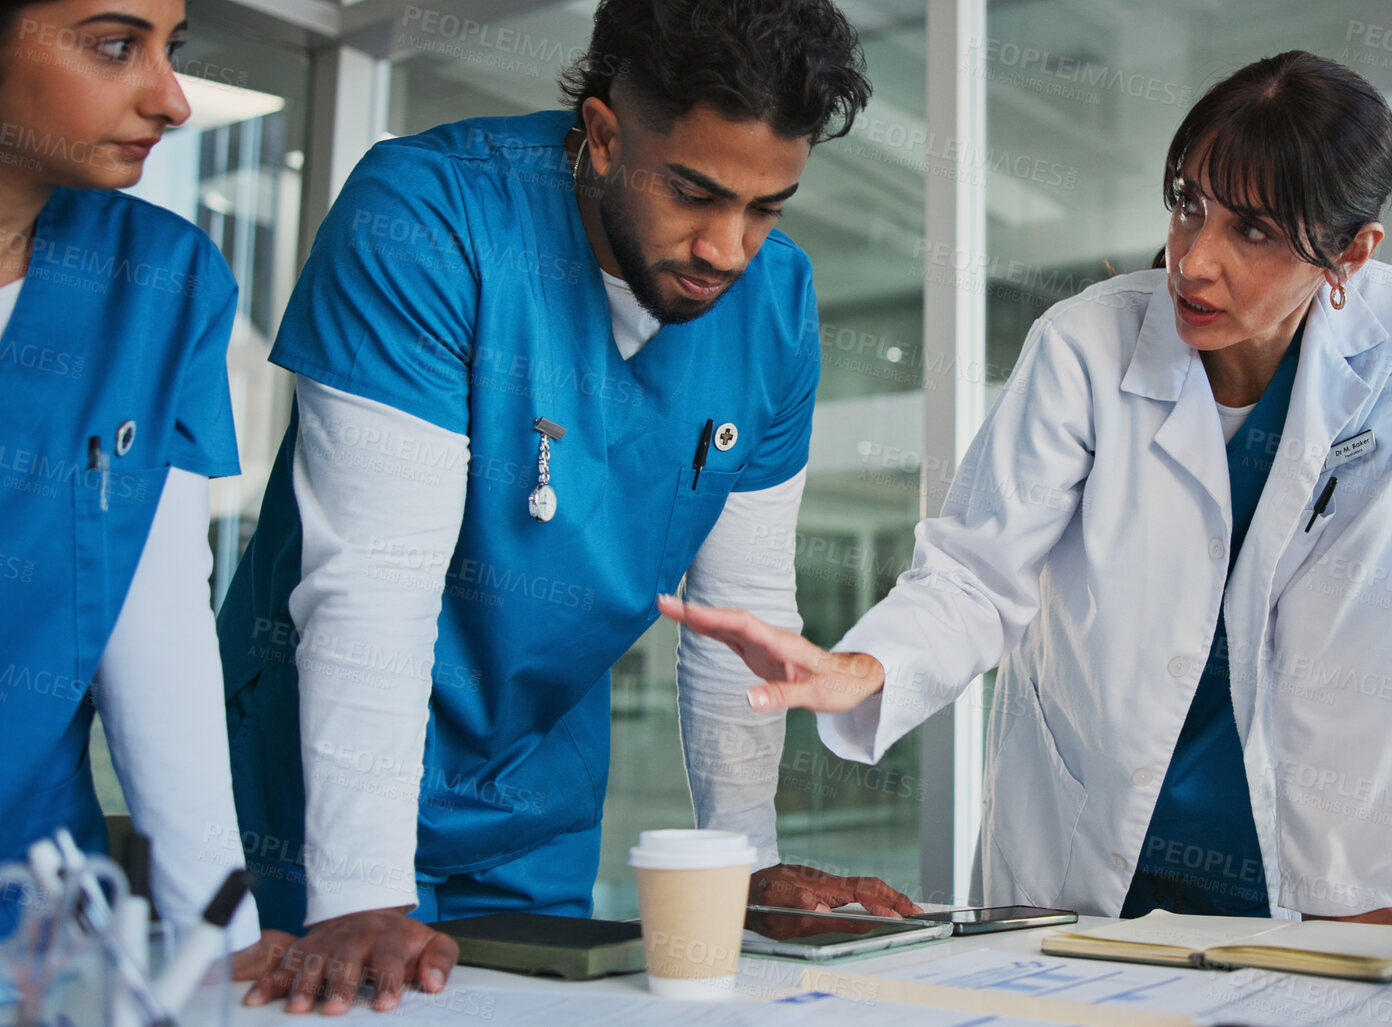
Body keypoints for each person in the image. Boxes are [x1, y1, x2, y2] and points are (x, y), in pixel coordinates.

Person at [217, 0, 917, 1015]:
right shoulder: (424, 218)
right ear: (600, 135)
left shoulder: (776, 304)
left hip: (532, 802)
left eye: (767, 207)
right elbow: (373, 585)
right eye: (694, 191)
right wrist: (361, 894)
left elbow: (743, 615)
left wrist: (746, 864)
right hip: (312, 799)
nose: (727, 248)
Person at [665, 51, 1392, 924]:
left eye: (1253, 232)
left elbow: (1361, 622)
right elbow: (974, 571)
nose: (1192, 261)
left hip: (1286, 843)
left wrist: (1350, 898)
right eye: (1190, 206)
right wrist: (864, 665)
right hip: (1090, 836)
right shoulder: (1084, 344)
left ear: (1350, 252)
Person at [0, 0, 264, 953]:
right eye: (116, 47)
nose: (173, 100)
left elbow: (160, 637)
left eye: (171, 49)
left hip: (34, 919)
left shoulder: (161, 281)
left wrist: (220, 938)